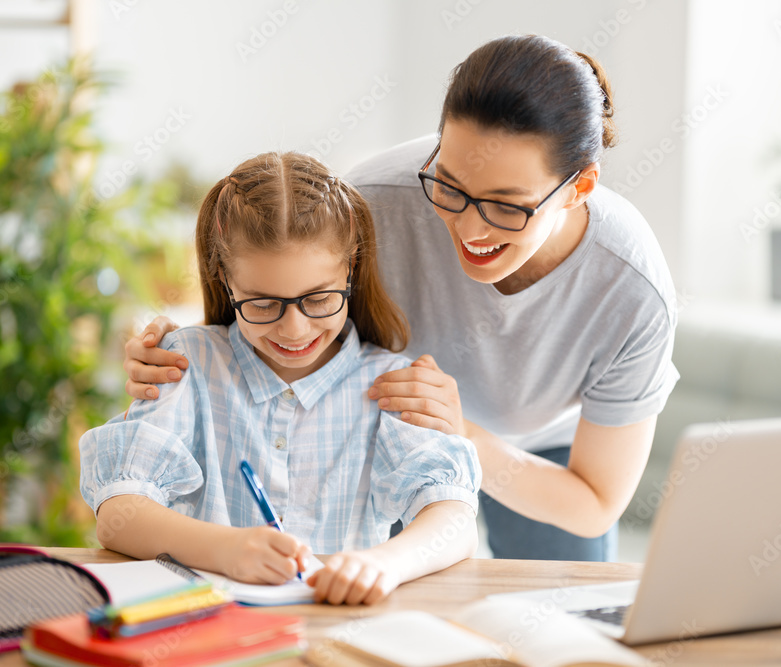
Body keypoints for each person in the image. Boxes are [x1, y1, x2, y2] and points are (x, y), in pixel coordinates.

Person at [121, 35, 678, 562]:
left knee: (564, 637)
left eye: (506, 206)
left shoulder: (631, 288)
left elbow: (594, 504)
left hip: (538, 458)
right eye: (451, 186)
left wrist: (460, 430)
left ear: (580, 186)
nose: (468, 226)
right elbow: (281, 289)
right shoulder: (376, 201)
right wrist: (177, 349)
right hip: (389, 429)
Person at [80, 152, 481, 606]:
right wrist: (227, 550)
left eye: (319, 298)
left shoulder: (391, 383)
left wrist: (385, 564)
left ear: (350, 270)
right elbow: (118, 514)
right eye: (263, 303)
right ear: (225, 282)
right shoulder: (187, 363)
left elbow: (455, 521)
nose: (294, 330)